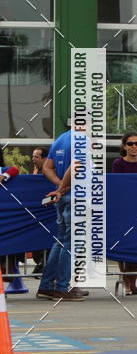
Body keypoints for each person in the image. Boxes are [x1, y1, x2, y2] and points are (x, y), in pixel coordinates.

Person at [36, 126, 86, 301]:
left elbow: (47, 168)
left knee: (61, 242)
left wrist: (59, 187)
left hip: (64, 198)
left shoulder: (60, 139)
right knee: (71, 244)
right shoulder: (82, 139)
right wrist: (63, 188)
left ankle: (47, 285)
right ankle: (62, 287)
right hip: (77, 197)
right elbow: (75, 166)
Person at [112, 131, 137, 295]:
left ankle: (133, 284)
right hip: (123, 210)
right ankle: (126, 284)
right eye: (130, 144)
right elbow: (117, 185)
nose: (134, 146)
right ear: (124, 146)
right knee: (124, 249)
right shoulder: (118, 163)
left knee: (136, 248)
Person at [30, 147, 49, 275]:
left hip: (48, 210)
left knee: (48, 239)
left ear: (44, 159)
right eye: (33, 156)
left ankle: (45, 265)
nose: (33, 159)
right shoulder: (36, 170)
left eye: (36, 157)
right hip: (37, 210)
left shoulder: (49, 171)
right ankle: (40, 263)